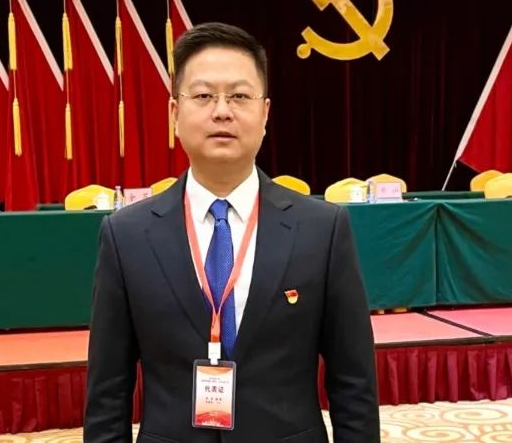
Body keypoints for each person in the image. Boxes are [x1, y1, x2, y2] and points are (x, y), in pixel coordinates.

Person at [84, 22, 380, 443]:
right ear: (174, 113)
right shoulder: (126, 235)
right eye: (204, 96)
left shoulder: (323, 230)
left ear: (265, 113)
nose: (222, 111)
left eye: (239, 96)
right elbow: (107, 393)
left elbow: (353, 383)